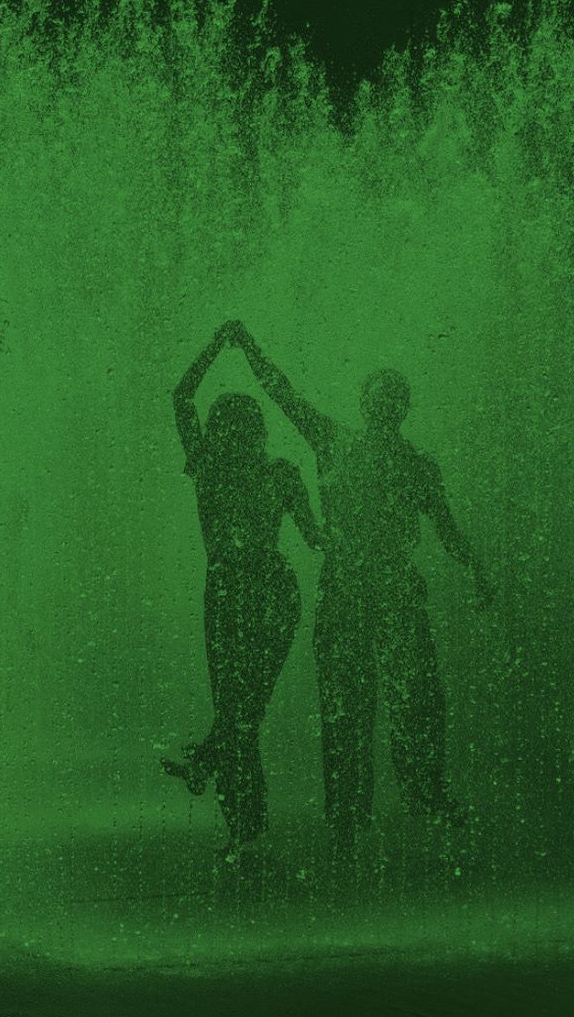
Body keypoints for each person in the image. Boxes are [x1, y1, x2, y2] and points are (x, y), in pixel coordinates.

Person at [226, 320, 492, 854]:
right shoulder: (333, 442)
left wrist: (476, 567)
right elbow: (282, 394)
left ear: (403, 408)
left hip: (390, 588)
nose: (388, 403)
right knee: (348, 703)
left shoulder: (418, 467)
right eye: (380, 394)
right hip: (348, 590)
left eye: (397, 396)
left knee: (416, 697)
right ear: (365, 402)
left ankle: (423, 794)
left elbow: (447, 531)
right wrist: (251, 347)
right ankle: (350, 813)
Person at [162, 323, 323, 861]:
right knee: (243, 708)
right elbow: (318, 538)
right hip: (272, 589)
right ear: (258, 430)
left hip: (231, 591)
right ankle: (240, 819)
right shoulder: (279, 472)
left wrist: (217, 345)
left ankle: (230, 803)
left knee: (238, 706)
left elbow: (182, 395)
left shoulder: (209, 469)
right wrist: (246, 347)